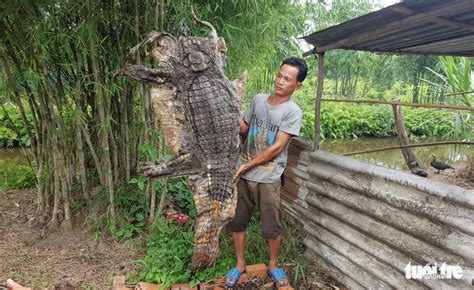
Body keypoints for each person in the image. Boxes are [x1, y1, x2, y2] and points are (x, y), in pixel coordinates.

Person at [225, 57, 307, 287]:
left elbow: (277, 147)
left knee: (271, 226)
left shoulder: (292, 112)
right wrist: (229, 109)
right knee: (238, 221)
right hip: (242, 176)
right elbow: (243, 127)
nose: (280, 81)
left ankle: (273, 265)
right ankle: (240, 264)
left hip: (268, 179)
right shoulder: (259, 100)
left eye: (287, 79)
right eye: (279, 75)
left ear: (297, 85)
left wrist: (247, 165)